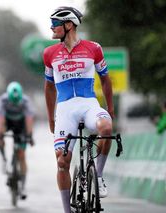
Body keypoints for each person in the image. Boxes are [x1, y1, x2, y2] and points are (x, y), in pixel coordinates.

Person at [43, 6, 114, 213]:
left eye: (55, 23)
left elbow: (106, 80)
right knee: (62, 161)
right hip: (65, 109)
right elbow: (48, 88)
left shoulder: (94, 48)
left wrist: (110, 108)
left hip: (89, 104)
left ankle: (98, 177)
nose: (51, 27)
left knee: (107, 128)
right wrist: (50, 118)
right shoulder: (49, 53)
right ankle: (67, 211)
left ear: (68, 24)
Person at [0, 81, 35, 199]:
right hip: (8, 122)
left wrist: (29, 136)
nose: (15, 103)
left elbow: (29, 120)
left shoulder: (26, 101)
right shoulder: (2, 100)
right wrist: (0, 135)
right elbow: (1, 120)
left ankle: (23, 185)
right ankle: (4, 158)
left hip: (21, 124)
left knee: (22, 155)